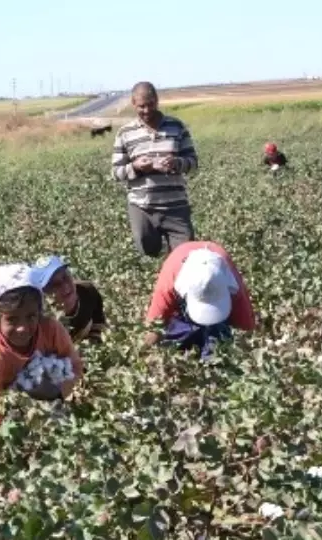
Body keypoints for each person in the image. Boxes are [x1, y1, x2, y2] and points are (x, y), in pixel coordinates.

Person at [0, 263, 83, 429]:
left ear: (39, 311)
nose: (23, 328)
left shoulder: (52, 330)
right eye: (12, 319)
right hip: (11, 412)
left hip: (56, 402)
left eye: (31, 316)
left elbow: (76, 367)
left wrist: (59, 391)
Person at [111, 82, 198, 258]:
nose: (147, 110)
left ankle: (172, 269)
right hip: (142, 206)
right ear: (133, 104)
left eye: (150, 104)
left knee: (186, 257)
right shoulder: (125, 133)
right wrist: (136, 167)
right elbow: (116, 172)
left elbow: (193, 162)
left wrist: (177, 163)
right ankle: (163, 258)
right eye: (141, 106)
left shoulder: (176, 127)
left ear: (157, 100)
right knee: (148, 249)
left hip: (176, 206)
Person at [143, 242, 255, 356]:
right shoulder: (169, 282)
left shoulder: (232, 282)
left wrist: (246, 353)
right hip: (178, 264)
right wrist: (147, 355)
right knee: (176, 331)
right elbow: (153, 327)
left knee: (220, 333)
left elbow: (245, 327)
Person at [34, 255, 107, 343]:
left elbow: (98, 321)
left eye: (65, 277)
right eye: (55, 284)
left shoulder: (87, 291)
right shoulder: (43, 321)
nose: (64, 286)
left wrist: (92, 344)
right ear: (44, 293)